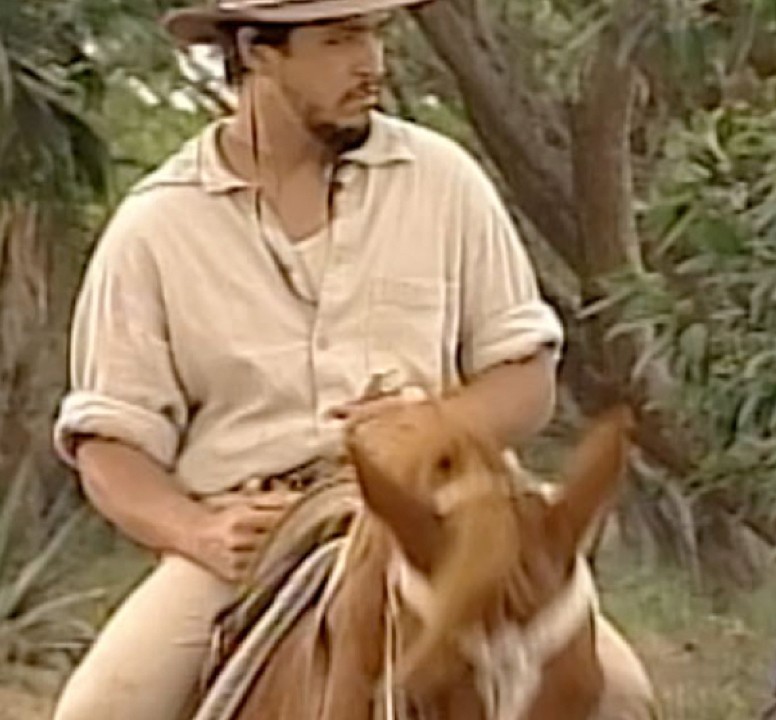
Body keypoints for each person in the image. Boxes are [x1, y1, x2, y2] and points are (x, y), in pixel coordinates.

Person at [49, 1, 654, 718]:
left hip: (453, 524)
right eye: (339, 40)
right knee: (98, 709)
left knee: (623, 697)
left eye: (374, 34)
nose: (372, 63)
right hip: (257, 534)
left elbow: (525, 375)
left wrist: (435, 423)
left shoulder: (443, 180)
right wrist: (196, 531)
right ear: (258, 52)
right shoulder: (156, 227)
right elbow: (110, 446)